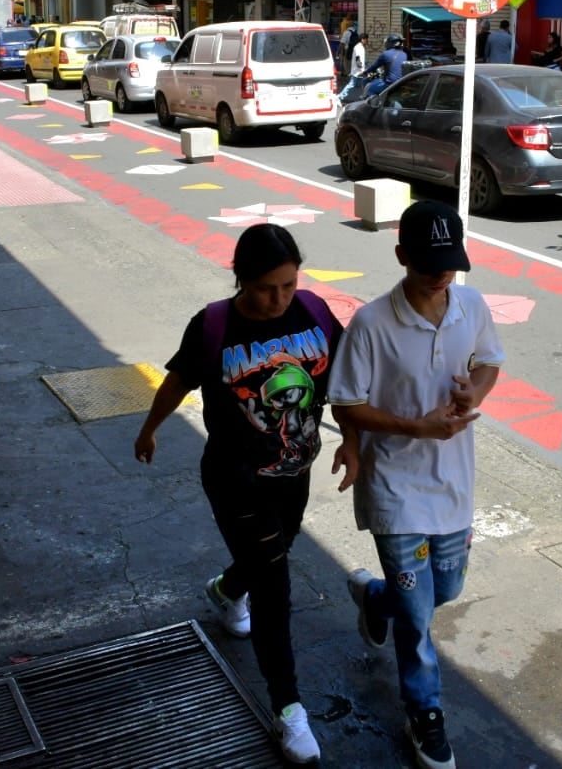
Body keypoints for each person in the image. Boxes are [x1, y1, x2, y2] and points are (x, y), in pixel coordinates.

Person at [134, 225, 348, 765]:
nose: (280, 299)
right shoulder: (213, 326)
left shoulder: (314, 312)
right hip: (234, 479)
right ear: (241, 280)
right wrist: (150, 428)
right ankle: (288, 708)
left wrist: (360, 440)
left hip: (294, 472)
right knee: (275, 584)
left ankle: (228, 589)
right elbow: (178, 381)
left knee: (271, 556)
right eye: (266, 288)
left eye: (288, 285)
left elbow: (348, 377)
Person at [328, 200, 504, 769]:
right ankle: (424, 711)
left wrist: (473, 394)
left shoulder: (471, 306)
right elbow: (347, 402)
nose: (441, 273)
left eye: (450, 260)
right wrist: (414, 428)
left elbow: (488, 362)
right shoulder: (371, 324)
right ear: (401, 256)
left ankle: (374, 598)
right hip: (394, 488)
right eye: (428, 261)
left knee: (443, 591)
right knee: (418, 616)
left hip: (453, 483)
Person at [337, 33, 369, 102]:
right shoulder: (359, 47)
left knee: (362, 85)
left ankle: (364, 97)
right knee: (352, 84)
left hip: (358, 71)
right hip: (358, 71)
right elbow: (358, 59)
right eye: (366, 39)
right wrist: (361, 70)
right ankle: (340, 96)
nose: (367, 41)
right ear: (362, 39)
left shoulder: (360, 47)